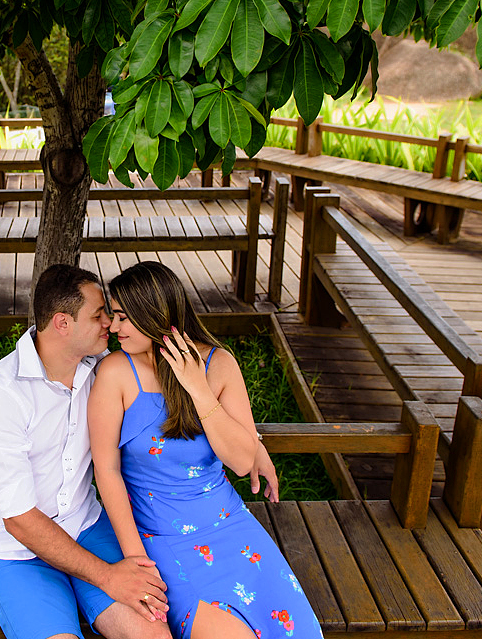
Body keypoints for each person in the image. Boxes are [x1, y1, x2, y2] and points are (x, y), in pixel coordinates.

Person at [0, 265, 281, 639]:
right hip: (18, 550)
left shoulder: (96, 367)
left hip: (86, 526)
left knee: (154, 635)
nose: (110, 324)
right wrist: (108, 576)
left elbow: (172, 395)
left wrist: (253, 442)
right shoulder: (2, 397)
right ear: (62, 323)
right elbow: (19, 520)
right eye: (99, 315)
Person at [88, 261, 322, 639]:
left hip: (231, 525)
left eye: (122, 318)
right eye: (113, 317)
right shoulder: (116, 373)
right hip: (161, 537)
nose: (114, 328)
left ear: (155, 316)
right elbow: (107, 472)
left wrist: (196, 386)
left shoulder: (219, 364)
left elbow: (243, 461)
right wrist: (136, 560)